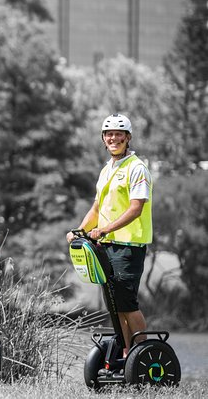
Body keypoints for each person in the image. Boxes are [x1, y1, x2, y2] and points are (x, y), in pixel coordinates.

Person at [66, 113, 152, 361]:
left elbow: (136, 208)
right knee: (115, 305)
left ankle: (143, 355)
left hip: (128, 246)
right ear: (103, 139)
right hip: (106, 246)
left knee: (127, 303)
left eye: (119, 134)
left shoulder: (137, 168)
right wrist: (79, 230)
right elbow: (96, 209)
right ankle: (126, 354)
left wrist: (105, 229)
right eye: (109, 134)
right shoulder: (106, 170)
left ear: (128, 137)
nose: (114, 138)